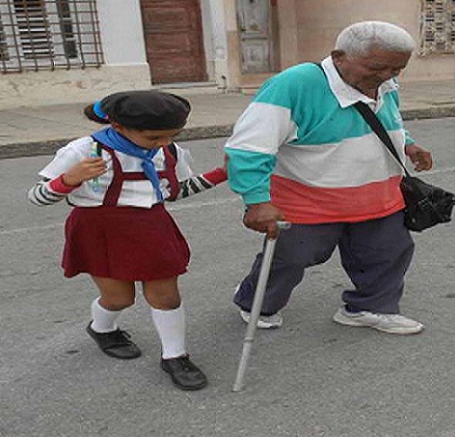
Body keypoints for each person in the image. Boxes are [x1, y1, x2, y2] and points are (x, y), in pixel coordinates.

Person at [225, 21, 433, 333]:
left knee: (387, 253)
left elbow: (389, 119)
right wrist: (256, 200)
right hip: (309, 199)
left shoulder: (384, 83)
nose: (387, 76)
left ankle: (369, 307)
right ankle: (256, 302)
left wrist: (408, 143)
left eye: (397, 69)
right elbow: (248, 148)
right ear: (339, 56)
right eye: (378, 67)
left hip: (378, 195)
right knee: (291, 257)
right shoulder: (294, 85)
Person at [28, 90, 227, 390]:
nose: (163, 143)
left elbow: (174, 192)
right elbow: (36, 198)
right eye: (154, 138)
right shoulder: (83, 151)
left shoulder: (169, 150)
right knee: (120, 298)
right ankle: (102, 328)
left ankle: (175, 356)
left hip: (151, 225)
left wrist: (221, 173)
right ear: (119, 127)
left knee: (166, 295)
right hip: (98, 228)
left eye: (172, 135)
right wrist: (68, 180)